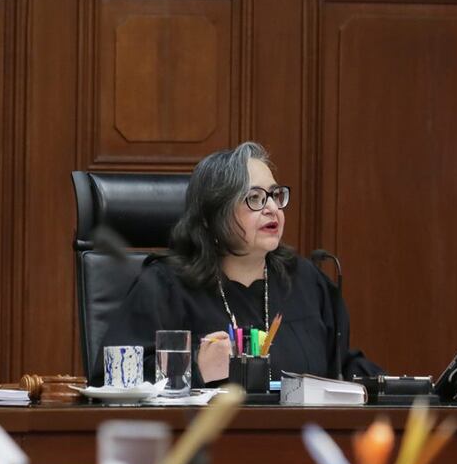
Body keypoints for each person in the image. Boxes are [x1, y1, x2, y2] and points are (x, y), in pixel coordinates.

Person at [93, 141, 382, 388]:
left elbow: (342, 365)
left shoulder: (305, 280)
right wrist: (194, 368)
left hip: (298, 444)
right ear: (210, 217)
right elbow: (112, 377)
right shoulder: (166, 286)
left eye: (275, 195)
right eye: (254, 198)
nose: (272, 208)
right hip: (203, 447)